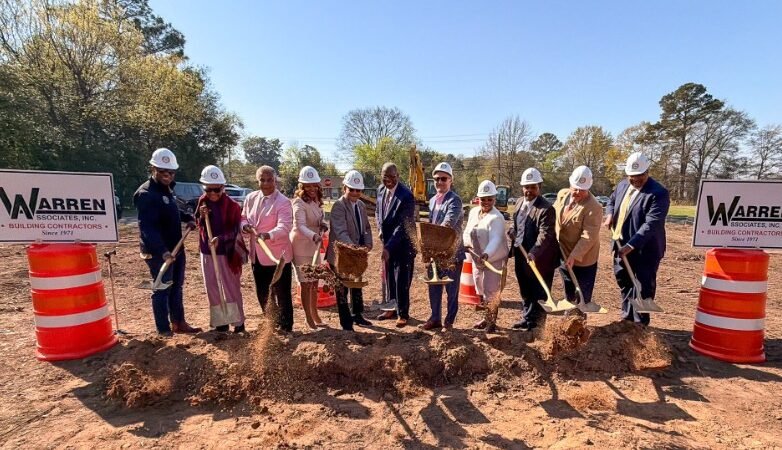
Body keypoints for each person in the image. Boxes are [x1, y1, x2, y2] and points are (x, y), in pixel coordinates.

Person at [134, 148, 201, 336]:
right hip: (158, 253)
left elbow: (171, 212)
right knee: (162, 288)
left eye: (171, 172)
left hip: (176, 247)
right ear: (153, 169)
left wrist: (187, 217)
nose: (168, 176)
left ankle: (179, 323)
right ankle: (163, 330)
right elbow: (147, 228)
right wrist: (163, 252)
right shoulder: (146, 194)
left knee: (176, 286)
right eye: (163, 171)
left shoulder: (167, 190)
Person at [604, 152, 670, 326]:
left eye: (640, 176)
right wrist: (609, 215)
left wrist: (631, 245)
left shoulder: (658, 193)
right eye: (632, 177)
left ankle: (640, 325)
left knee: (642, 287)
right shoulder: (622, 185)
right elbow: (611, 201)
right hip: (620, 245)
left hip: (644, 250)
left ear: (648, 171)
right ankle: (627, 319)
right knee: (624, 282)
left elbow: (651, 224)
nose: (636, 180)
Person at [241, 166, 295, 332]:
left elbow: (285, 226)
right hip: (257, 255)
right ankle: (271, 322)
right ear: (257, 181)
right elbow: (243, 217)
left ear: (275, 180)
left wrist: (268, 235)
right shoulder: (250, 198)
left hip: (278, 256)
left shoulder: (283, 202)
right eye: (262, 180)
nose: (266, 184)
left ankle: (286, 326)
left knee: (282, 293)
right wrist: (245, 227)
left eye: (269, 180)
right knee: (263, 292)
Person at [195, 165, 247, 333]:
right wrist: (202, 217)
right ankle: (221, 322)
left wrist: (221, 239)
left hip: (227, 253)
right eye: (208, 189)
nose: (212, 194)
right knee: (212, 287)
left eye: (216, 190)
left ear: (223, 188)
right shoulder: (202, 202)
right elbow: (199, 223)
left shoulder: (232, 206)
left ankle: (238, 323)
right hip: (208, 252)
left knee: (231, 288)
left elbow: (235, 231)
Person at [507, 167, 559, 332]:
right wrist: (512, 231)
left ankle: (538, 325)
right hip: (520, 253)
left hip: (540, 257)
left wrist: (534, 252)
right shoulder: (519, 202)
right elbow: (515, 223)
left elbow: (546, 235)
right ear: (522, 187)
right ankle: (527, 318)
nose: (529, 190)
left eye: (533, 187)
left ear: (539, 187)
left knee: (539, 291)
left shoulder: (546, 209)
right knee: (525, 288)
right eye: (526, 187)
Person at [326, 170, 374, 331]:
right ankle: (346, 323)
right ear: (344, 188)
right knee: (342, 289)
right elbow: (340, 232)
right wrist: (355, 249)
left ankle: (358, 315)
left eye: (358, 190)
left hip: (357, 254)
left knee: (356, 285)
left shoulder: (360, 205)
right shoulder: (339, 206)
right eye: (351, 189)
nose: (354, 193)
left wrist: (367, 244)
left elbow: (366, 228)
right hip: (342, 256)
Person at [421, 162, 465, 331]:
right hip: (434, 252)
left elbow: (448, 224)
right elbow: (431, 223)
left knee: (451, 290)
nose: (440, 182)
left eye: (443, 179)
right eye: (437, 179)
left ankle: (449, 321)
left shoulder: (455, 200)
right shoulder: (432, 201)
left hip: (451, 253)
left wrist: (432, 239)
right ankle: (435, 318)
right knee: (434, 286)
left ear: (450, 180)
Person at [553, 166, 603, 313]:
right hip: (563, 253)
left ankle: (578, 326)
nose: (578, 193)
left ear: (588, 188)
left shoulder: (594, 207)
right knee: (569, 290)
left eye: (582, 190)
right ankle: (567, 321)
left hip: (584, 259)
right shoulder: (562, 195)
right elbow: (554, 217)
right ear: (570, 184)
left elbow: (588, 236)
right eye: (575, 188)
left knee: (581, 296)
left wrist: (574, 256)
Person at [375, 162, 417, 328]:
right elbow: (378, 212)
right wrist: (379, 229)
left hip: (403, 245)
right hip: (388, 243)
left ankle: (403, 313)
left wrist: (389, 247)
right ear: (382, 176)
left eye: (393, 177)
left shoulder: (406, 196)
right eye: (386, 177)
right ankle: (391, 309)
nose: (389, 180)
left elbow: (402, 226)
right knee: (390, 278)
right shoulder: (380, 191)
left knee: (401, 279)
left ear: (398, 176)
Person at [464, 180, 508, 333]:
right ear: (478, 199)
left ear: (494, 199)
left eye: (490, 199)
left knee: (491, 290)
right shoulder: (473, 213)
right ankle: (486, 317)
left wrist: (487, 254)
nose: (486, 202)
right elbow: (467, 230)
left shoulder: (496, 218)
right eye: (483, 199)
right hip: (477, 258)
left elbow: (496, 238)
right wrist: (466, 243)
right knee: (480, 287)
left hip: (492, 260)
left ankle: (492, 321)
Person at [290, 166, 327, 329]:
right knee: (305, 283)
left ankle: (315, 312)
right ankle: (308, 317)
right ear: (302, 186)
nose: (312, 189)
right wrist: (314, 235)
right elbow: (300, 226)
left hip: (315, 245)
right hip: (302, 246)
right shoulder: (298, 203)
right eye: (308, 185)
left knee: (315, 281)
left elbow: (317, 219)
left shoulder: (316, 201)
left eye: (314, 185)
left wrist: (322, 225)